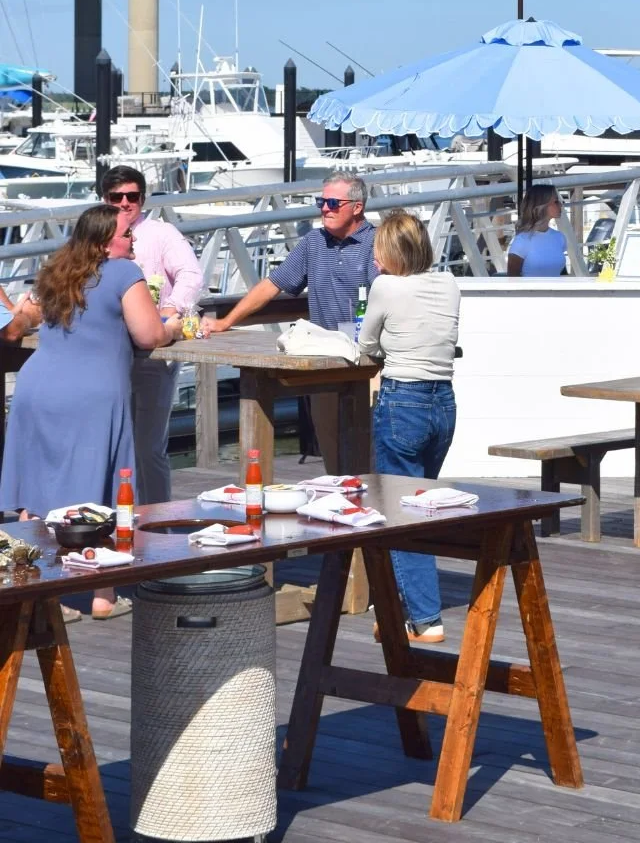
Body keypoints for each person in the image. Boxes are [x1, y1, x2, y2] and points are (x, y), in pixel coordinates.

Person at [0, 205, 180, 619]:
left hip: (37, 388)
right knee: (102, 490)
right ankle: (102, 595)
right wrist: (171, 327)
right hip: (92, 394)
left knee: (37, 494)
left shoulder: (56, 273)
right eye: (125, 235)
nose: (132, 240)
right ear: (104, 243)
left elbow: (33, 320)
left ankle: (42, 592)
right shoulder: (122, 273)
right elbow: (148, 333)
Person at [201, 173, 378, 468]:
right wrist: (225, 321)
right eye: (321, 202)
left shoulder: (378, 241)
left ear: (357, 207)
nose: (324, 209)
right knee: (332, 456)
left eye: (333, 203)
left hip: (371, 361)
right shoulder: (313, 242)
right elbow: (271, 285)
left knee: (370, 454)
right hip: (325, 359)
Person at [356, 213, 459, 644]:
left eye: (379, 249)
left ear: (391, 252)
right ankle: (397, 606)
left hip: (403, 401)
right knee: (418, 505)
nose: (375, 258)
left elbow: (365, 346)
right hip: (443, 403)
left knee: (400, 514)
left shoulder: (385, 287)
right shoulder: (450, 283)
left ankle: (423, 618)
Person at [101, 164, 204, 505]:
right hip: (108, 352)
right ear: (105, 199)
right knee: (110, 443)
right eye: (117, 197)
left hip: (153, 354)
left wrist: (171, 310)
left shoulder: (161, 233)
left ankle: (159, 524)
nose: (125, 203)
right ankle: (113, 520)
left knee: (148, 445)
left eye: (132, 196)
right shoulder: (94, 235)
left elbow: (190, 273)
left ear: (143, 199)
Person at [507, 184, 566, 277]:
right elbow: (512, 281)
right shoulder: (522, 241)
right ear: (542, 205)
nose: (561, 204)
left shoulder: (559, 238)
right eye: (555, 201)